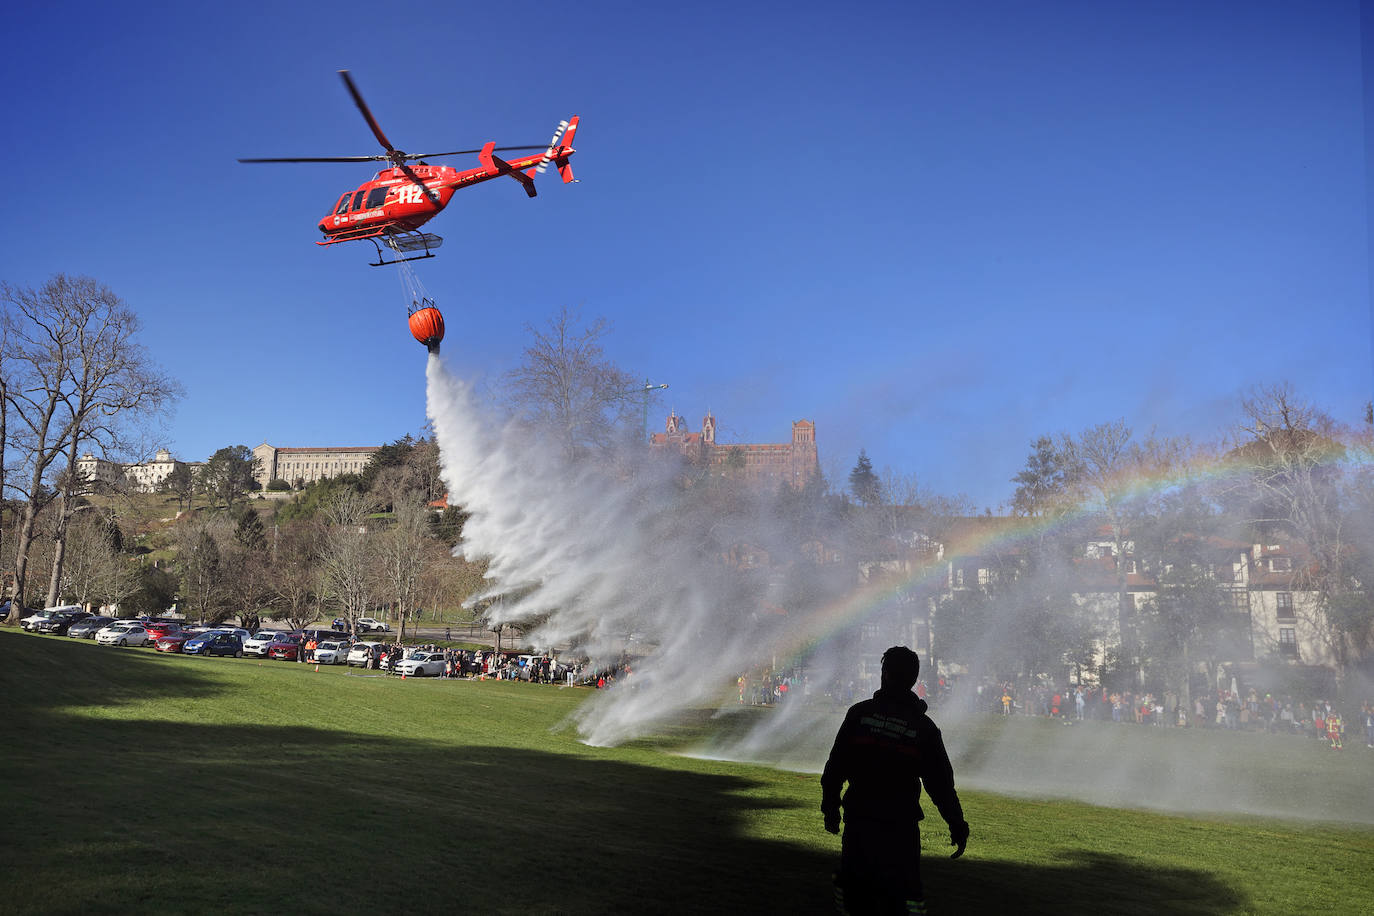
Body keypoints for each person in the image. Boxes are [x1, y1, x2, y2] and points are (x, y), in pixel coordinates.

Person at [821, 646, 969, 915]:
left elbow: (835, 767)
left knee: (855, 892)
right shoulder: (924, 729)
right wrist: (957, 824)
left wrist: (830, 808)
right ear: (913, 679)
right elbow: (941, 785)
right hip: (900, 827)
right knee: (905, 896)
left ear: (885, 675)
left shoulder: (859, 715)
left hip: (860, 822)